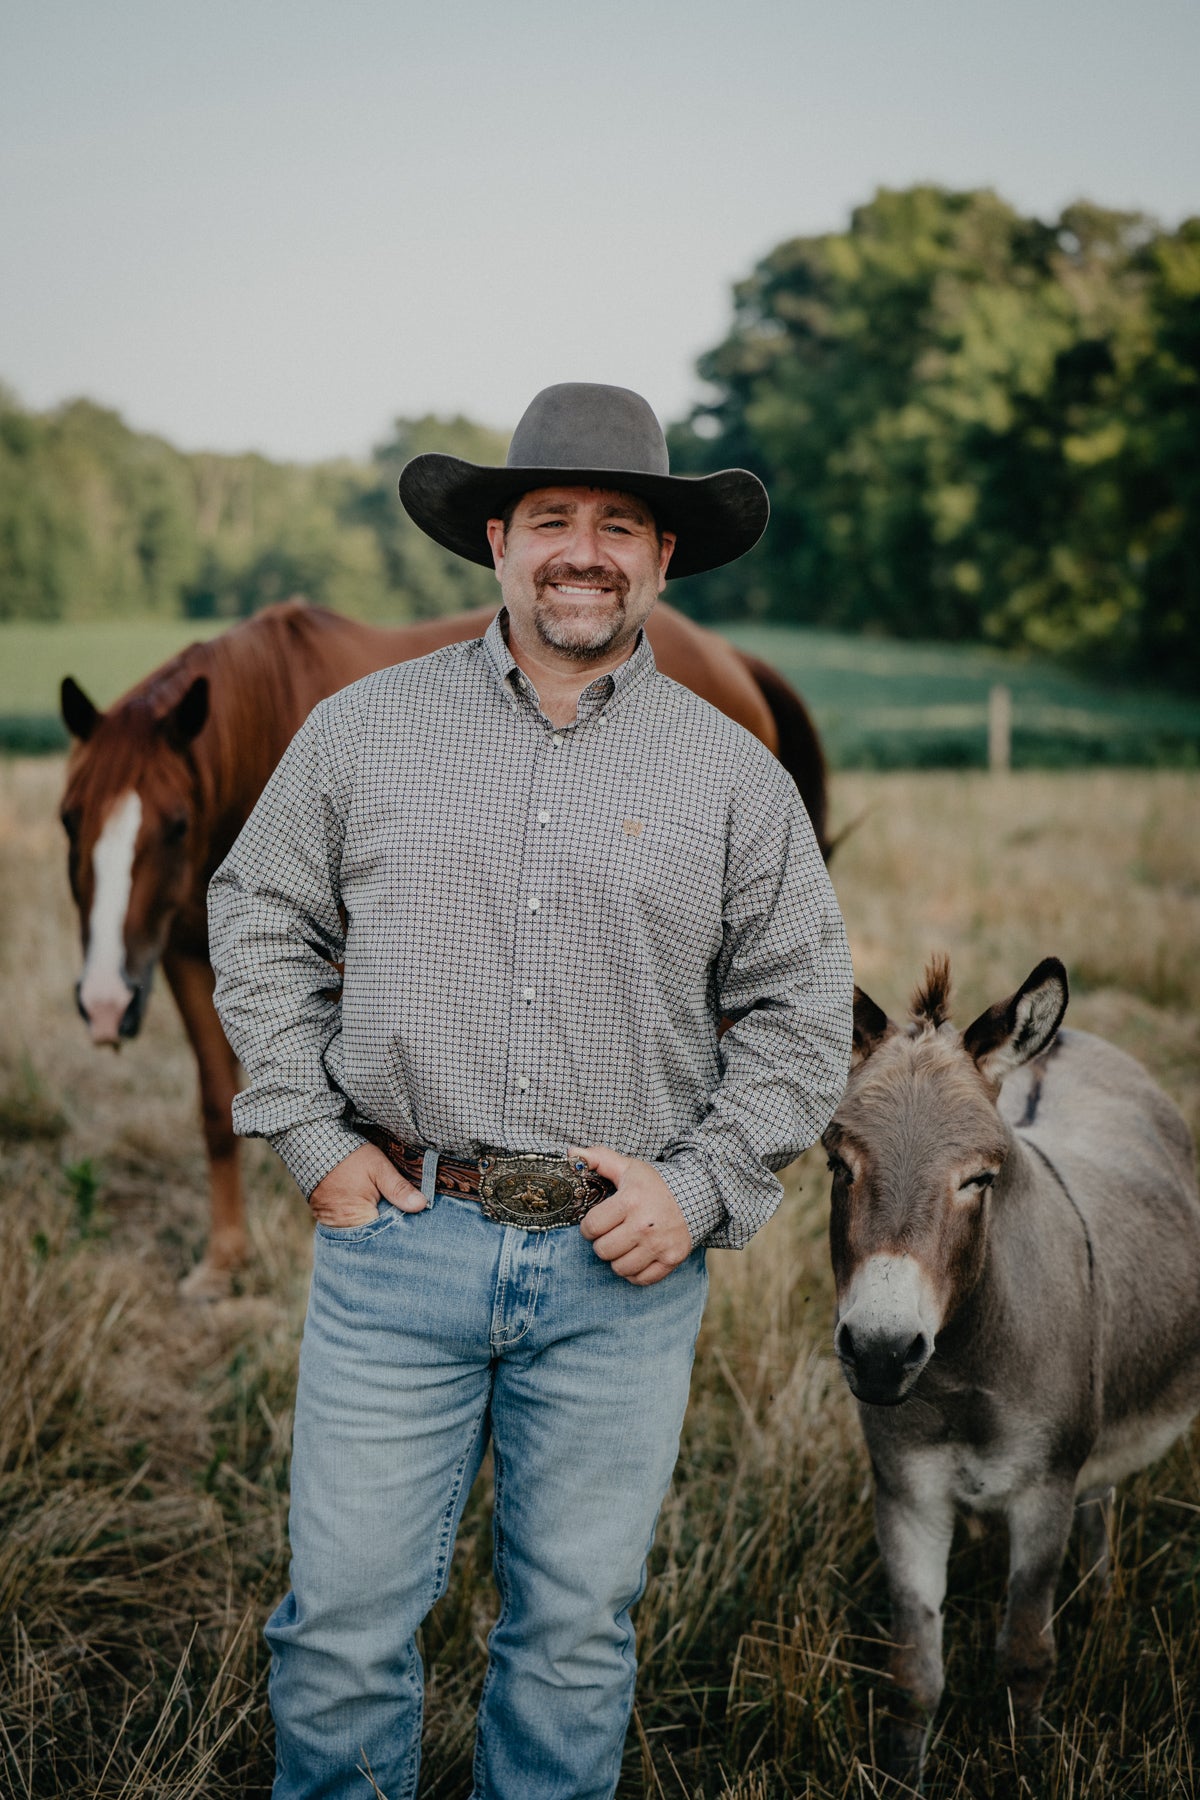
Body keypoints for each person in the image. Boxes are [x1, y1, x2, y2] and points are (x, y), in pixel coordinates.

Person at [209, 381, 853, 1800]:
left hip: (619, 1269)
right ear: (496, 540)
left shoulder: (735, 781)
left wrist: (698, 1190)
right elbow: (255, 919)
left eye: (620, 524)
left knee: (570, 1642)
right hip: (397, 1241)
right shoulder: (362, 736)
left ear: (663, 559)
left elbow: (805, 1018)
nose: (584, 550)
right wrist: (313, 1139)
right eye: (552, 519)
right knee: (340, 1637)